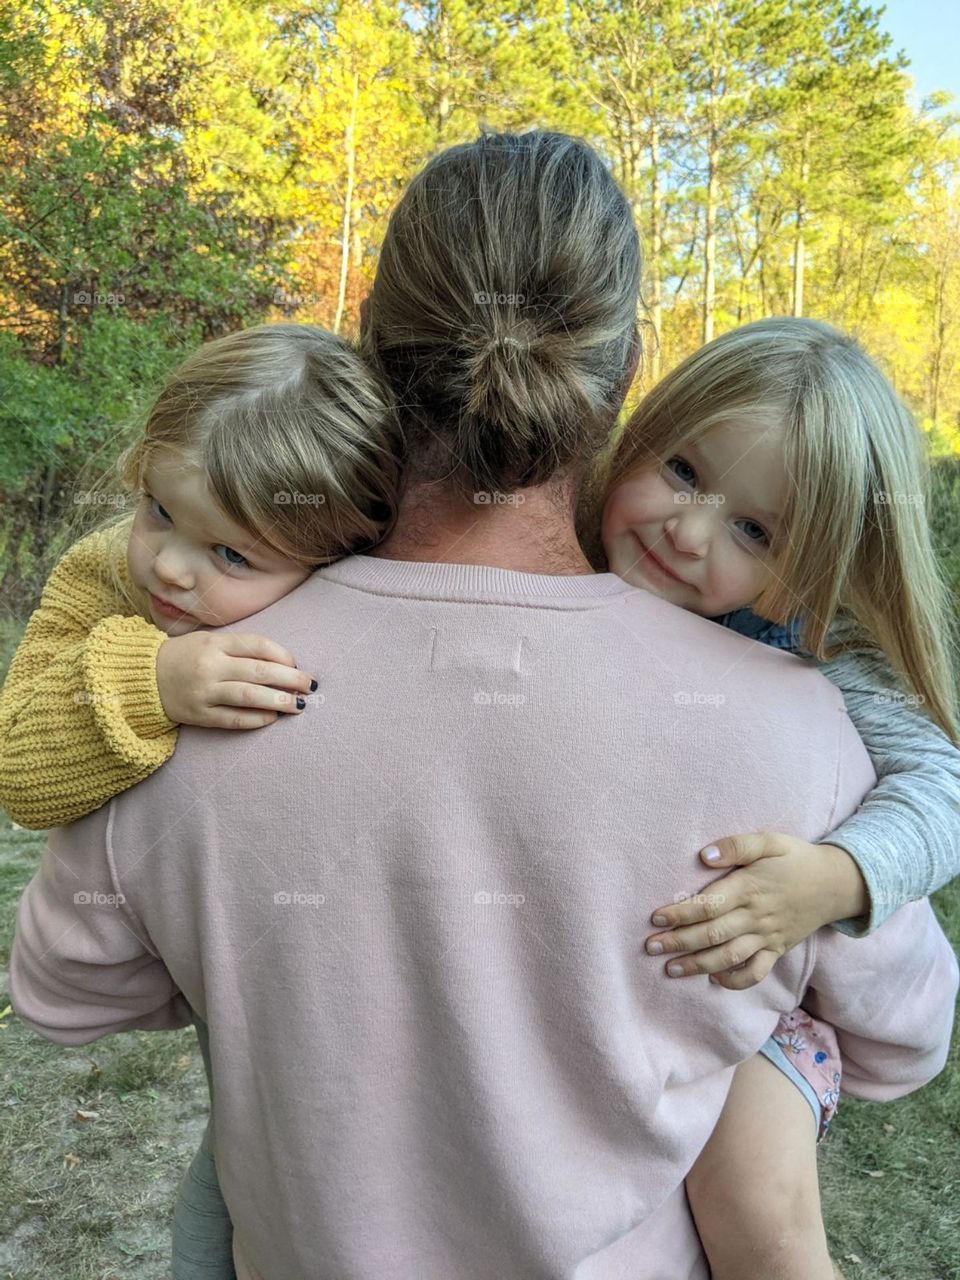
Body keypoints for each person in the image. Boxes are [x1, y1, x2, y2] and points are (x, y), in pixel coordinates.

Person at [6, 132, 959, 1279]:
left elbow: (68, 991)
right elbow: (904, 1042)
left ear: (374, 335)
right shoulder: (804, 736)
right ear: (625, 375)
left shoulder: (196, 682)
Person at [0, 321, 402, 1278]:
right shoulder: (107, 572)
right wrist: (154, 683)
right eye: (159, 511)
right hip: (210, 974)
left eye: (232, 556)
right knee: (238, 1170)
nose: (173, 567)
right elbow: (16, 759)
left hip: (351, 962)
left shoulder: (358, 590)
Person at [580, 317, 960, 1277]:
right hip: (621, 978)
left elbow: (949, 787)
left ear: (812, 573)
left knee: (758, 1216)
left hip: (774, 1014)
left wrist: (833, 880)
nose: (688, 530)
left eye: (754, 529)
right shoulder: (566, 560)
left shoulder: (819, 649)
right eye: (680, 471)